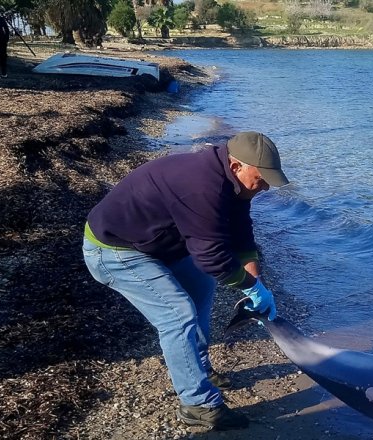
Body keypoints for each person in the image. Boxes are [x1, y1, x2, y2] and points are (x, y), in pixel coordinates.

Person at [82, 131, 289, 431]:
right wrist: (251, 287)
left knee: (202, 287)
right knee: (178, 315)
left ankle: (199, 368)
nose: (266, 186)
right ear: (236, 167)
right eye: (262, 179)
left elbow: (241, 233)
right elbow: (214, 259)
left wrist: (259, 288)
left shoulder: (235, 185)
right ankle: (198, 404)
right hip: (114, 250)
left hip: (158, 244)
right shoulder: (201, 187)